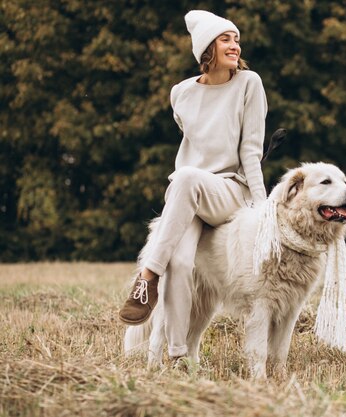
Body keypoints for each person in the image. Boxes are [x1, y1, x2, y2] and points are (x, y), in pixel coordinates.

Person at [118, 10, 268, 359]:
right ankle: (177, 353)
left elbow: (250, 151)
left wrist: (262, 211)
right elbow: (194, 145)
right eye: (225, 39)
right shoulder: (180, 93)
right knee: (181, 263)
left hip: (229, 191)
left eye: (236, 38)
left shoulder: (250, 83)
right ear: (206, 48)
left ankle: (146, 276)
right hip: (190, 195)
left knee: (185, 176)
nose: (235, 45)